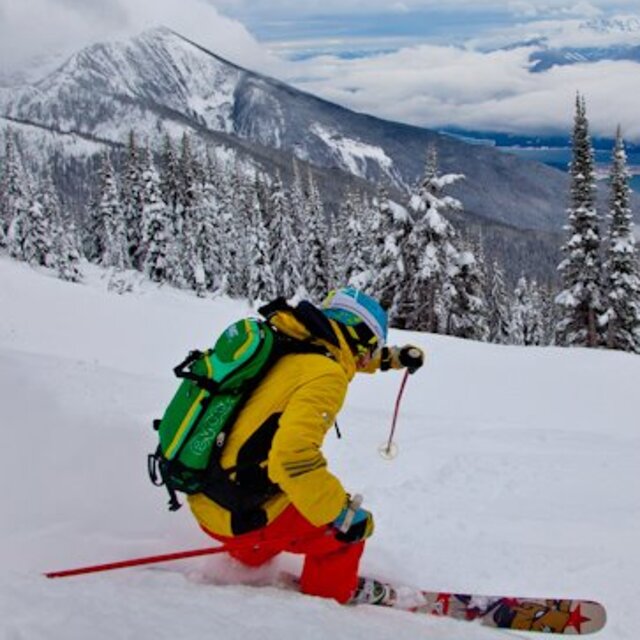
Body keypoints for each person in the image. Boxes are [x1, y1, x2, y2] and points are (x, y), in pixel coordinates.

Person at [188, 287, 424, 604]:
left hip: (210, 497)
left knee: (288, 500)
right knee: (346, 535)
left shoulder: (294, 342)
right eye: (372, 346)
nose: (369, 356)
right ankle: (326, 604)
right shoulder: (326, 375)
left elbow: (351, 357)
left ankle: (249, 562)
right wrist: (342, 515)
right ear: (358, 338)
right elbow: (292, 458)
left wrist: (394, 358)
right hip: (242, 511)